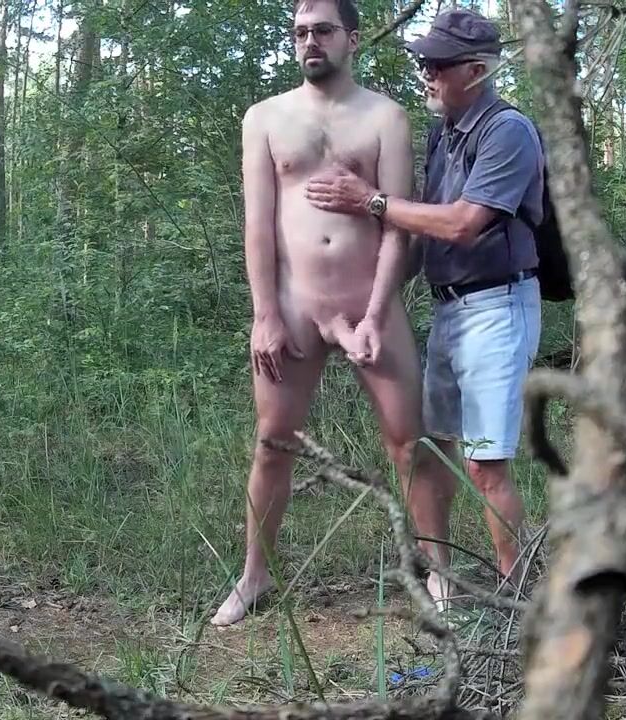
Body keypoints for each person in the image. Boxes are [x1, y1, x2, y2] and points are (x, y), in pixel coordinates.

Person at [212, 0, 458, 627]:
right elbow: (258, 225)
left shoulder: (385, 116)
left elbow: (399, 224)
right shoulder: (265, 118)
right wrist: (265, 313)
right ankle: (255, 575)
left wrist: (376, 312)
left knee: (408, 440)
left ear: (351, 37)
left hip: (368, 301)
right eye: (300, 33)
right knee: (273, 442)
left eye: (322, 30)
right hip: (294, 304)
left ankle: (439, 571)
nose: (309, 42)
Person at [304, 8, 544, 586]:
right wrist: (365, 305)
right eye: (423, 63)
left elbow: (462, 223)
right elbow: (421, 234)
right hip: (449, 310)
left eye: (438, 64)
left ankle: (517, 598)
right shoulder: (445, 133)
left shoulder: (508, 131)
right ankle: (442, 581)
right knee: (434, 450)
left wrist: (370, 200)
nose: (426, 74)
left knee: (485, 465)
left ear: (478, 70)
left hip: (497, 309)